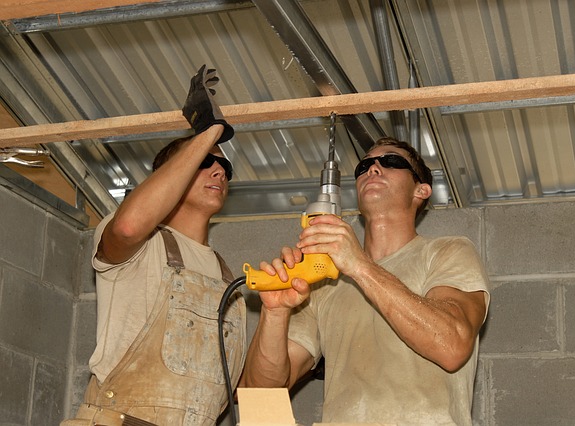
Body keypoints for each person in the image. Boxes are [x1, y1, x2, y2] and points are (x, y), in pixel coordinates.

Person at [240, 137, 490, 426]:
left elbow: (452, 346)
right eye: (364, 165)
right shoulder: (323, 283)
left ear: (421, 189)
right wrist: (275, 311)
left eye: (391, 161)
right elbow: (260, 393)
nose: (373, 168)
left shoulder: (447, 251)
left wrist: (358, 265)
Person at [62, 65, 246, 426]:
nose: (219, 172)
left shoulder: (231, 282)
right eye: (205, 161)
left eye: (225, 169)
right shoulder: (143, 245)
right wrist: (208, 133)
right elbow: (129, 227)